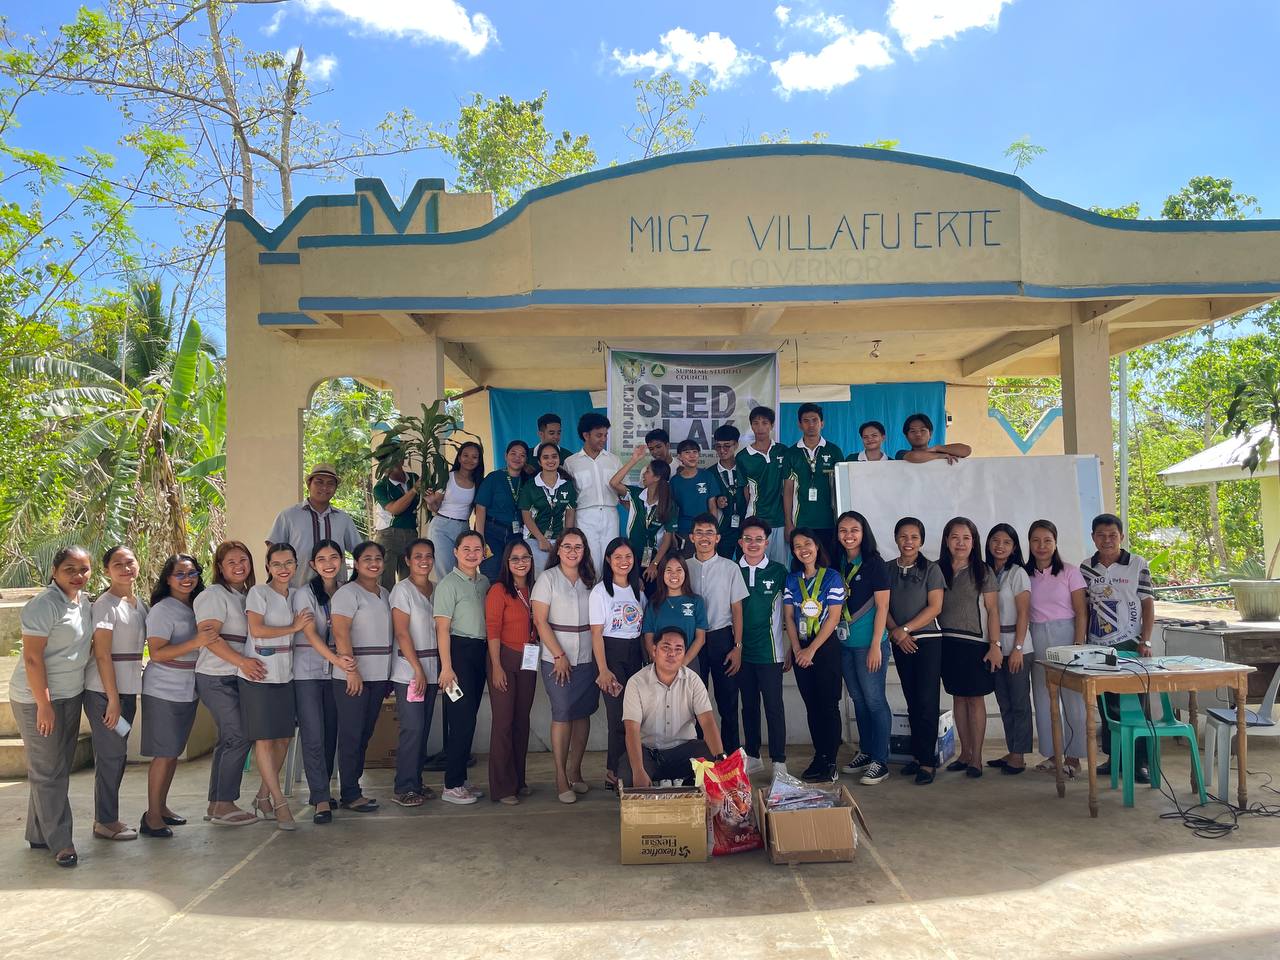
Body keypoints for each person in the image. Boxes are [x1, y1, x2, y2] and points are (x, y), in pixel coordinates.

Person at [12, 546, 94, 866]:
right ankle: (61, 842)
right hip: (37, 698)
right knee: (49, 771)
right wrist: (43, 704)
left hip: (70, 694)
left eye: (83, 569)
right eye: (69, 569)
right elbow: (33, 659)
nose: (78, 575)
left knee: (55, 767)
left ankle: (38, 833)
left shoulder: (83, 602)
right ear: (54, 572)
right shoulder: (44, 605)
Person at [1081, 513, 1155, 782]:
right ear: (1093, 538)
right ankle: (1115, 758)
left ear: (1121, 537)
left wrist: (1146, 640)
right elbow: (1083, 607)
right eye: (1101, 535)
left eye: (1112, 535)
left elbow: (1147, 604)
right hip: (1098, 647)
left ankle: (1140, 763)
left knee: (1136, 706)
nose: (1107, 540)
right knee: (1107, 706)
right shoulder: (1086, 568)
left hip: (1131, 644)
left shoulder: (1137, 564)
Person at [140, 554, 208, 838]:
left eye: (191, 573)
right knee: (164, 754)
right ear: (168, 579)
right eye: (179, 574)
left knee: (173, 753)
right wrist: (196, 642)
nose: (186, 579)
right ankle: (152, 816)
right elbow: (157, 653)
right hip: (163, 689)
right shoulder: (162, 610)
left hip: (187, 688)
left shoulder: (196, 605)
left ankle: (161, 807)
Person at [193, 541, 260, 825]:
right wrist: (242, 662)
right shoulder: (214, 595)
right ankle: (224, 803)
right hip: (216, 676)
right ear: (219, 568)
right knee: (239, 735)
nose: (238, 566)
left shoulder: (246, 596)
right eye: (231, 562)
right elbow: (210, 638)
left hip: (236, 676)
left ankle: (217, 804)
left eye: (243, 560)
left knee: (229, 738)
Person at [242, 543, 308, 831]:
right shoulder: (259, 593)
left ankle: (262, 796)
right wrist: (293, 627)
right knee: (265, 740)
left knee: (284, 739)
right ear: (268, 566)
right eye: (277, 564)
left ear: (296, 565)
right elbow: (256, 630)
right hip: (259, 675)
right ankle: (280, 803)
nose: (283, 569)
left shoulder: (296, 595)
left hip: (286, 675)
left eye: (289, 563)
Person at [531, 528, 598, 803]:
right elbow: (539, 621)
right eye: (567, 546)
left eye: (578, 547)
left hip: (587, 658)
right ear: (558, 550)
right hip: (557, 659)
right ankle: (560, 776)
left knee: (582, 714)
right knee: (563, 713)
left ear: (584, 551)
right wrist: (558, 655)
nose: (572, 551)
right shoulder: (547, 579)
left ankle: (575, 771)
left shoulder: (591, 579)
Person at [84, 545, 146, 842]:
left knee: (116, 754)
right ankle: (105, 821)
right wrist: (112, 699)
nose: (125, 568)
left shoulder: (139, 603)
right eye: (117, 564)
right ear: (106, 570)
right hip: (104, 693)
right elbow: (102, 654)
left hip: (127, 692)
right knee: (112, 754)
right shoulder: (104, 605)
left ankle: (107, 817)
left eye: (129, 562)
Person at [292, 539, 355, 824]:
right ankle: (320, 798)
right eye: (322, 559)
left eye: (334, 558)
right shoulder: (304, 594)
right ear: (312, 564)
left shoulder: (346, 591)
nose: (329, 564)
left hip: (336, 673)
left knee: (332, 733)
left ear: (342, 560)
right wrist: (336, 659)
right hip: (308, 672)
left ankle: (323, 790)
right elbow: (310, 634)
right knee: (313, 734)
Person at [330, 541, 394, 813]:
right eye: (367, 558)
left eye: (378, 558)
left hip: (379, 676)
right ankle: (350, 793)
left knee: (365, 734)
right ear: (356, 564)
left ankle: (353, 787)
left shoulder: (385, 593)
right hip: (353, 677)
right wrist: (351, 671)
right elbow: (340, 632)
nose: (373, 563)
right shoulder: (347, 593)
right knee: (351, 735)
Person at [619, 626, 726, 788]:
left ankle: (685, 783)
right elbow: (632, 729)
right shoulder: (636, 682)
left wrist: (719, 759)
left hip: (685, 752)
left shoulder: (693, 680)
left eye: (678, 649)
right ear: (654, 650)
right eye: (666, 648)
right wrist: (638, 770)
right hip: (650, 753)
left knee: (712, 759)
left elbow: (708, 722)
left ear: (684, 653)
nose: (672, 654)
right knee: (628, 775)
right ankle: (659, 780)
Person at [937, 517, 1002, 778]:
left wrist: (995, 645)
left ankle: (977, 758)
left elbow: (993, 610)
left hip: (976, 644)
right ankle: (964, 754)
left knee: (975, 699)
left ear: (974, 542)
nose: (960, 543)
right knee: (958, 698)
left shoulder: (983, 571)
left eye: (966, 538)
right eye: (955, 537)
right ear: (946, 541)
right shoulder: (937, 570)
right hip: (946, 643)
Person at [1025, 519, 1089, 777]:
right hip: (1037, 636)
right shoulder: (1024, 574)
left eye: (1047, 540)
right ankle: (1053, 754)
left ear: (1055, 543)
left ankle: (1074, 758)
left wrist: (1078, 644)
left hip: (1067, 635)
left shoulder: (1070, 572)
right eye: (1036, 541)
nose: (1041, 546)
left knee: (1073, 698)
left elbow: (1081, 612)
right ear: (1029, 544)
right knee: (1043, 697)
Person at [783, 528, 847, 783]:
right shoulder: (792, 580)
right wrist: (797, 648)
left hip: (825, 647)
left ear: (817, 546)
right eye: (797, 546)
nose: (803, 549)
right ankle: (819, 756)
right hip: (801, 648)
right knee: (812, 706)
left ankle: (831, 761)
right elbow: (789, 616)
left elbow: (833, 617)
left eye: (807, 543)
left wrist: (811, 650)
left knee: (828, 705)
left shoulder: (832, 577)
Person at [834, 511, 893, 786]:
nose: (849, 535)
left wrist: (876, 645)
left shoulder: (873, 563)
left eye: (854, 530)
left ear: (863, 532)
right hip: (845, 644)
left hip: (869, 645)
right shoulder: (838, 562)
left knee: (875, 700)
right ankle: (867, 752)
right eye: (843, 530)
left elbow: (883, 607)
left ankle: (881, 761)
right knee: (858, 700)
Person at [433, 530, 490, 804]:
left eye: (477, 549)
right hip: (457, 655)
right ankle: (451, 785)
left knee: (470, 719)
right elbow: (442, 629)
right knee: (460, 719)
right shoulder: (448, 585)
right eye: (466, 548)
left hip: (479, 652)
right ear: (455, 552)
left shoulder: (484, 582)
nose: (471, 554)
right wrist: (447, 668)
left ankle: (461, 778)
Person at [887, 517, 946, 785]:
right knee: (912, 700)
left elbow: (935, 607)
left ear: (921, 541)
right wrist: (896, 632)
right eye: (903, 536)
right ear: (896, 539)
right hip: (900, 641)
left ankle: (927, 762)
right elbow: (882, 605)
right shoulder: (888, 569)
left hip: (927, 642)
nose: (908, 541)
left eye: (914, 537)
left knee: (926, 701)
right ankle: (917, 755)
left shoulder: (932, 569)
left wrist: (905, 629)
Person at [687, 513, 748, 755]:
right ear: (691, 537)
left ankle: (730, 757)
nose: (704, 538)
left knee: (728, 702)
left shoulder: (730, 568)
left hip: (722, 639)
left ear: (718, 538)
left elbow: (737, 610)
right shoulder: (684, 567)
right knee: (694, 703)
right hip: (693, 641)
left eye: (709, 533)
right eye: (699, 533)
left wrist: (737, 647)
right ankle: (700, 759)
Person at [590, 538, 647, 791]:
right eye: (618, 557)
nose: (624, 562)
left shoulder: (638, 591)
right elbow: (596, 633)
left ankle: (631, 770)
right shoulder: (600, 592)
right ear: (608, 560)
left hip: (635, 655)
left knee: (634, 717)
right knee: (617, 718)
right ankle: (613, 772)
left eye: (628, 557)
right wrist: (603, 670)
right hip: (611, 656)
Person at [485, 540, 539, 805]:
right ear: (506, 562)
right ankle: (502, 787)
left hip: (528, 660)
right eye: (515, 558)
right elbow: (492, 629)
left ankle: (518, 780)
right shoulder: (499, 590)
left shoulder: (535, 589)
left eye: (525, 557)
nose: (521, 562)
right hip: (504, 658)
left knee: (521, 722)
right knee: (504, 723)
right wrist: (496, 666)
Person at [736, 517, 790, 775]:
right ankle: (753, 755)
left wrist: (791, 647)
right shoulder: (732, 570)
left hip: (770, 652)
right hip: (741, 652)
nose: (753, 544)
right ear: (740, 542)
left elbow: (790, 613)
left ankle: (779, 761)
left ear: (767, 543)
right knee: (748, 706)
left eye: (759, 539)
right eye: (748, 539)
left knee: (773, 707)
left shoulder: (779, 572)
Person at [389, 538, 440, 807]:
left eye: (428, 555)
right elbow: (401, 632)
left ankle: (416, 782)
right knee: (412, 727)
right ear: (408, 560)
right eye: (418, 556)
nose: (424, 560)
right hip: (410, 672)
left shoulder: (437, 589)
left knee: (424, 728)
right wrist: (417, 669)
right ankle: (404, 787)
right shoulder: (402, 591)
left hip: (432, 670)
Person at [985, 524, 1033, 775]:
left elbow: (1024, 613)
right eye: (995, 540)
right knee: (1004, 702)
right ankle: (1012, 749)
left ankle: (1019, 756)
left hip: (1017, 646)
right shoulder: (985, 571)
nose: (1000, 546)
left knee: (1019, 703)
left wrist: (1018, 648)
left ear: (1014, 547)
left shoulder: (1018, 573)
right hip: (994, 646)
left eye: (1006, 542)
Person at [267, 463, 362, 587]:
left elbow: (359, 551)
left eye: (330, 483)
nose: (324, 487)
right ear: (308, 484)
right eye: (319, 482)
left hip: (335, 592)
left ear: (335, 488)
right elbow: (272, 551)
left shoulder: (343, 518)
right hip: (296, 588)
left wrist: (357, 583)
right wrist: (276, 586)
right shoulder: (288, 516)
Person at [610, 444, 676, 594]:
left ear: (657, 477)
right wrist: (634, 459)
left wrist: (655, 564)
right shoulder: (635, 495)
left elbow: (667, 539)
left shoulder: (668, 504)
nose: (643, 475)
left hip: (654, 558)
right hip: (632, 555)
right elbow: (614, 482)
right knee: (633, 593)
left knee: (652, 594)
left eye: (647, 472)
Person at [564, 412, 623, 581]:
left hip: (610, 513)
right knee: (588, 558)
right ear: (586, 435)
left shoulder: (614, 460)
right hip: (584, 515)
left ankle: (610, 593)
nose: (603, 439)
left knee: (612, 556)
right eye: (599, 435)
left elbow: (624, 490)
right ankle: (590, 593)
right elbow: (569, 496)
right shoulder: (571, 462)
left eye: (605, 435)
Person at [783, 403, 843, 563]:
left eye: (815, 420)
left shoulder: (834, 451)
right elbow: (788, 490)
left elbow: (842, 486)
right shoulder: (791, 453)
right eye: (806, 421)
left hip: (829, 521)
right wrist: (788, 523)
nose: (811, 425)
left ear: (822, 423)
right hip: (801, 522)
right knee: (803, 564)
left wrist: (841, 521)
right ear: (799, 424)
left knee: (829, 564)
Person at [736, 405, 790, 566]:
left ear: (772, 425)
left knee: (780, 566)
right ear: (751, 426)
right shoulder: (743, 457)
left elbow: (789, 486)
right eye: (756, 423)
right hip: (755, 520)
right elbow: (746, 491)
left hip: (780, 520)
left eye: (765, 423)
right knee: (755, 564)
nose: (760, 427)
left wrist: (789, 521)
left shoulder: (783, 451)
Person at [426, 441, 483, 578]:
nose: (469, 460)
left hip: (464, 528)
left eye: (474, 457)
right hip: (442, 527)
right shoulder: (447, 477)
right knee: (445, 572)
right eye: (466, 455)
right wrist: (431, 502)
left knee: (464, 570)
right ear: (459, 458)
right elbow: (435, 508)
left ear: (479, 461)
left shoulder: (479, 482)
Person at [519, 441, 577, 574]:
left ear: (559, 459)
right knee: (538, 578)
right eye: (545, 457)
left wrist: (565, 540)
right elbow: (526, 516)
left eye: (554, 456)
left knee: (560, 576)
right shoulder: (530, 486)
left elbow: (570, 514)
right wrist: (541, 539)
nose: (550, 460)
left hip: (559, 540)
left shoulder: (567, 485)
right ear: (539, 462)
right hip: (534, 539)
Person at [475, 440, 530, 580]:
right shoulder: (494, 477)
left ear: (526, 459)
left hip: (516, 535)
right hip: (492, 532)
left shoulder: (528, 481)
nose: (517, 458)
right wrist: (480, 538)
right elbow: (480, 508)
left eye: (522, 455)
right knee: (492, 574)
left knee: (514, 576)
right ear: (505, 456)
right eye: (513, 453)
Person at [641, 555, 707, 666]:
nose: (674, 574)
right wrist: (660, 663)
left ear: (685, 573)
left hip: (688, 663)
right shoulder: (653, 603)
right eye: (669, 570)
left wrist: (682, 664)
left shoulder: (696, 601)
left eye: (679, 570)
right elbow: (648, 637)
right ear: (662, 574)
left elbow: (700, 638)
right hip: (660, 664)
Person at [372, 454, 421, 588]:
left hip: (411, 533)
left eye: (393, 460)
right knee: (385, 582)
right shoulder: (381, 487)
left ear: (401, 459)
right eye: (384, 462)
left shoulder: (413, 478)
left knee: (409, 582)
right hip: (388, 535)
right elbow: (394, 509)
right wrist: (414, 490)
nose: (389, 466)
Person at [669, 438, 718, 553]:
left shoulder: (707, 476)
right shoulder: (675, 481)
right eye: (687, 452)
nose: (692, 456)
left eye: (695, 452)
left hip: (705, 529)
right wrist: (672, 533)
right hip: (684, 530)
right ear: (679, 457)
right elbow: (672, 510)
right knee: (686, 561)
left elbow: (712, 506)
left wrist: (715, 530)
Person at [711, 424, 747, 560]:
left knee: (746, 563)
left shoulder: (745, 469)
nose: (722, 450)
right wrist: (716, 501)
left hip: (745, 526)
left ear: (736, 445)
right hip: (722, 529)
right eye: (718, 446)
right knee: (721, 564)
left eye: (727, 446)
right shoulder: (710, 473)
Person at [895, 413, 972, 464]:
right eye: (912, 431)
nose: (918, 434)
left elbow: (967, 450)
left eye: (922, 430)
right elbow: (915, 456)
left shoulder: (942, 452)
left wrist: (937, 448)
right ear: (906, 437)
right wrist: (939, 456)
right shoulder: (901, 454)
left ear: (930, 434)